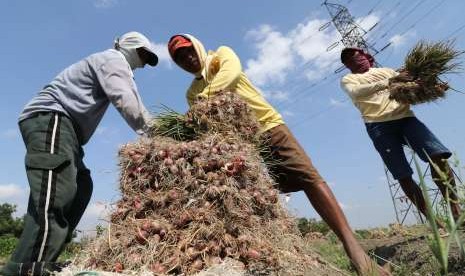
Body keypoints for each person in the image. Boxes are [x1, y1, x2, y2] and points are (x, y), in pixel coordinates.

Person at [167, 34, 390, 276]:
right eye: (180, 59)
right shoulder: (191, 93)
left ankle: (354, 249)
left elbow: (230, 75)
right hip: (245, 149)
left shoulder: (221, 56)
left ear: (197, 46)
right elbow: (204, 120)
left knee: (309, 178)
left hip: (269, 127)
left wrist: (204, 98)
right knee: (265, 198)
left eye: (189, 51)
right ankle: (286, 254)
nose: (188, 59)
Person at [2, 31, 158, 276]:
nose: (144, 62)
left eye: (148, 59)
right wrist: (157, 133)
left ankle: (44, 260)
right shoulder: (113, 60)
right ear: (130, 47)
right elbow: (126, 99)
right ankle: (26, 269)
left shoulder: (118, 66)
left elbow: (129, 95)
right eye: (143, 54)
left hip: (68, 132)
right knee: (56, 195)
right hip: (52, 118)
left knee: (81, 187)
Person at [340, 47, 461, 224]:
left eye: (356, 55)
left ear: (365, 56)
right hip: (378, 125)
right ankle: (435, 223)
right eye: (349, 60)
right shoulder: (349, 79)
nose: (355, 60)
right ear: (347, 66)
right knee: (403, 174)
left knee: (438, 156)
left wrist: (433, 88)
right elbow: (356, 92)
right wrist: (391, 80)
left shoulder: (386, 71)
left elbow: (410, 88)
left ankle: (456, 211)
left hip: (406, 119)